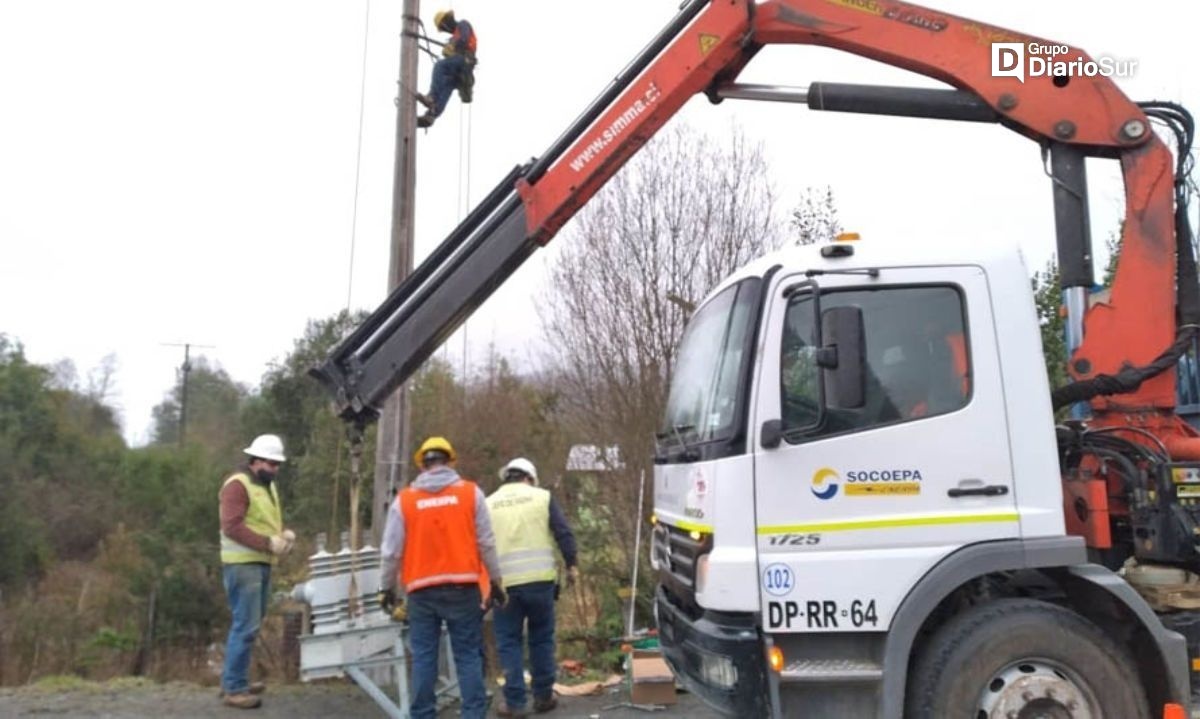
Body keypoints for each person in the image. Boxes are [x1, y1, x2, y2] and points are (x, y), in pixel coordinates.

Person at [378, 436, 505, 719]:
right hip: (463, 588)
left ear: (422, 465)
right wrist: (496, 581)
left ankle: (423, 714)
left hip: (421, 592)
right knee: (468, 655)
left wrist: (385, 587)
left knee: (424, 657)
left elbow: (390, 552)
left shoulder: (405, 500)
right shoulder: (471, 494)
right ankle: (473, 713)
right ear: (449, 462)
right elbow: (486, 542)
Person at [487, 458, 579, 717]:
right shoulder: (542, 497)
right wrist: (572, 565)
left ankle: (515, 703)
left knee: (509, 642)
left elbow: (480, 543)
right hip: (540, 584)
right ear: (529, 477)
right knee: (541, 638)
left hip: (503, 587)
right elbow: (563, 533)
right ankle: (543, 697)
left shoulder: (488, 503)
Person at [218, 433, 295, 709]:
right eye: (271, 464)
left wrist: (280, 536)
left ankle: (233, 680)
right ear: (256, 460)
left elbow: (261, 521)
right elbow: (232, 526)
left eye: (277, 464)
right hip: (243, 564)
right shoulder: (237, 486)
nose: (275, 469)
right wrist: (267, 543)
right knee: (245, 625)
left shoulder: (265, 486)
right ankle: (235, 689)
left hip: (259, 562)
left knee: (249, 624)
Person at [416, 9, 477, 129]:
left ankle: (432, 96)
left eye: (443, 27)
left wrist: (452, 45)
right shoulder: (454, 35)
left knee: (440, 66)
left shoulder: (462, 24)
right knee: (447, 85)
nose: (445, 30)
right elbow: (453, 48)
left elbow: (463, 39)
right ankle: (431, 115)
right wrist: (450, 47)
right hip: (461, 69)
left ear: (446, 21)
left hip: (465, 59)